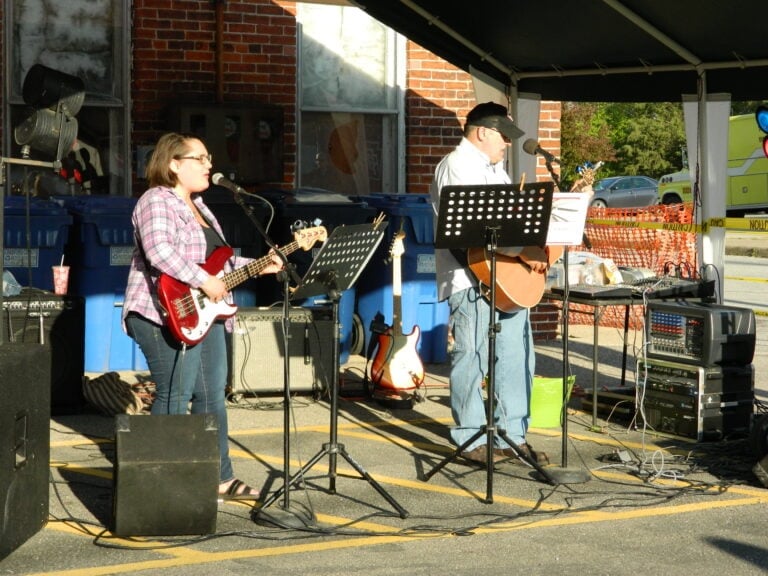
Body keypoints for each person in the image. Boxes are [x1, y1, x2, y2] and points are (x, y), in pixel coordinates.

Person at [122, 132, 283, 500]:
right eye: (201, 158)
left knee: (212, 397)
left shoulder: (201, 207)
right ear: (174, 164)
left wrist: (260, 265)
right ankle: (158, 486)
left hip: (205, 313)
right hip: (161, 311)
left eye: (209, 158)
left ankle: (219, 478)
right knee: (174, 394)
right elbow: (159, 251)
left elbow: (219, 265)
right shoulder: (155, 200)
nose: (209, 165)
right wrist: (204, 281)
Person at [429, 102, 553, 466]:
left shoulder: (495, 169)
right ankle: (470, 439)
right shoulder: (457, 165)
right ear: (482, 132)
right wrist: (522, 251)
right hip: (470, 277)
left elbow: (510, 227)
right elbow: (472, 234)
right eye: (504, 136)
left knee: (517, 357)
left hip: (506, 279)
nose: (509, 144)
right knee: (473, 357)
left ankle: (511, 436)